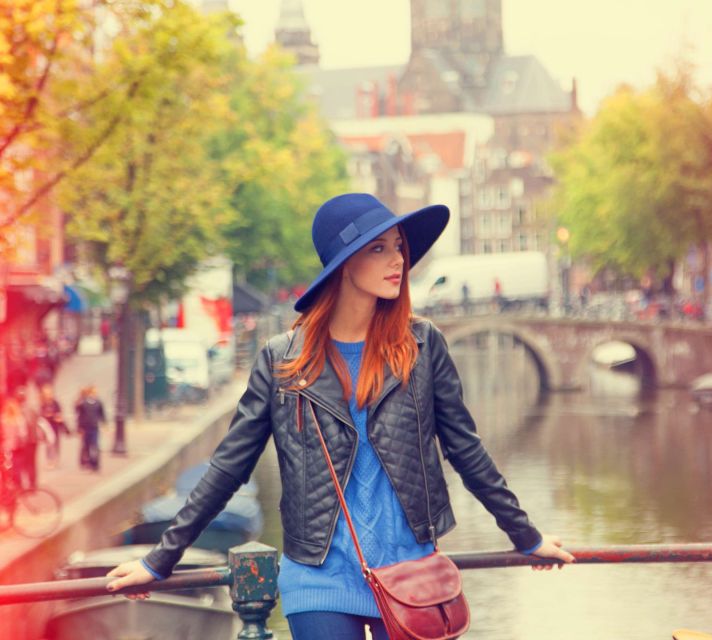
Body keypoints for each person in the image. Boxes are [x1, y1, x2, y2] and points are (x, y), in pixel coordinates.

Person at [104, 193, 574, 639]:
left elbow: (466, 449)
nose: (398, 261)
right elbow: (228, 468)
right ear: (346, 264)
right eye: (379, 249)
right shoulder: (281, 360)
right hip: (319, 579)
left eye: (399, 248)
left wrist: (525, 535)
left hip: (413, 574)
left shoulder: (423, 346)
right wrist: (159, 561)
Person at [2, 388, 40, 490]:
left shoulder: (14, 414)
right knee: (30, 464)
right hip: (30, 441)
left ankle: (20, 486)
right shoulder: (28, 410)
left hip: (22, 444)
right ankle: (31, 485)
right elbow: (37, 423)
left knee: (18, 466)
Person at [75, 385, 106, 472]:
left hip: (94, 427)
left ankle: (95, 464)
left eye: (95, 393)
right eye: (93, 393)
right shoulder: (83, 403)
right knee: (87, 446)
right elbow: (80, 416)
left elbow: (102, 414)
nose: (95, 394)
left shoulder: (98, 403)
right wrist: (79, 428)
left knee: (95, 445)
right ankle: (88, 462)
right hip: (86, 428)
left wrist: (104, 424)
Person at [39, 384, 68, 469]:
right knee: (49, 443)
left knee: (56, 442)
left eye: (49, 393)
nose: (48, 395)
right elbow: (40, 414)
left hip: (55, 425)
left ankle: (55, 458)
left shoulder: (55, 403)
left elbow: (59, 413)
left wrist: (56, 416)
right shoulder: (43, 403)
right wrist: (45, 415)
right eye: (46, 394)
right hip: (47, 426)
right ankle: (50, 460)